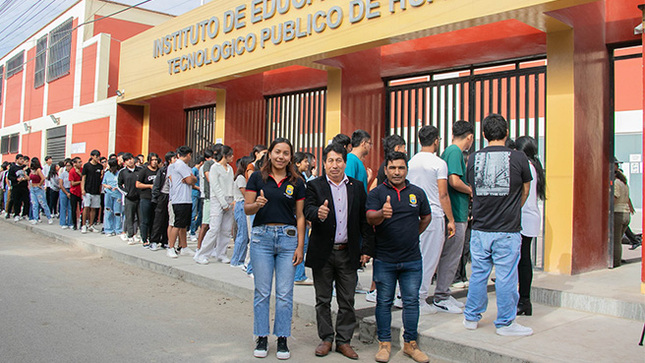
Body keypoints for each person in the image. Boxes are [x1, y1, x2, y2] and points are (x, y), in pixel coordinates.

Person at [463, 113, 533, 336]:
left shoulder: (473, 158)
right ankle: (505, 323)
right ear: (507, 133)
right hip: (507, 229)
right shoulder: (520, 158)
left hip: (480, 228)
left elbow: (473, 189)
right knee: (506, 277)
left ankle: (471, 317)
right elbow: (525, 190)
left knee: (478, 274)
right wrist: (512, 208)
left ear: (483, 135)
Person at [304, 142, 373, 359]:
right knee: (322, 299)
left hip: (348, 252)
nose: (335, 165)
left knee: (347, 300)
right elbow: (307, 209)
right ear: (324, 163)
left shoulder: (357, 186)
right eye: (330, 160)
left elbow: (364, 220)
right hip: (323, 252)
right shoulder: (314, 186)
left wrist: (365, 248)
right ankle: (326, 338)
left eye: (339, 160)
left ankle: (344, 341)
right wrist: (317, 213)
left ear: (345, 162)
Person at [365, 151, 432, 363]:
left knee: (411, 302)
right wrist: (381, 214)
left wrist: (412, 234)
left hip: (412, 260)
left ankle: (410, 344)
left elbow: (426, 217)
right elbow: (369, 218)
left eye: (401, 168)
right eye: (392, 168)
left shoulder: (417, 193)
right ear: (386, 170)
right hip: (385, 259)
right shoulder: (377, 193)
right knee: (384, 302)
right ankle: (384, 343)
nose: (397, 172)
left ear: (406, 170)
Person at [244, 138, 305, 360]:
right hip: (262, 239)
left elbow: (300, 216)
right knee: (262, 291)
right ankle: (261, 336)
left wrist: (300, 246)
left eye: (286, 153)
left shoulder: (297, 181)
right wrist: (256, 205)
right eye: (277, 152)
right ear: (269, 154)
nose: (281, 156)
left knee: (285, 293)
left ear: (291, 156)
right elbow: (247, 209)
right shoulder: (256, 178)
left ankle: (282, 338)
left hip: (288, 241)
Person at [406, 125, 458, 315]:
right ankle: (418, 299)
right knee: (428, 259)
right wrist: (451, 219)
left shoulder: (411, 162)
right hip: (434, 216)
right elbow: (443, 194)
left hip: (413, 215)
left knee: (414, 257)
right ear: (436, 140)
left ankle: (408, 296)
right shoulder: (438, 163)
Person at [440, 121, 475, 292]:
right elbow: (454, 180)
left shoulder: (449, 151)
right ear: (470, 137)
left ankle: (442, 292)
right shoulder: (455, 152)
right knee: (452, 256)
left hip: (454, 211)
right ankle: (443, 294)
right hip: (457, 212)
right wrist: (470, 190)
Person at [514, 136, 545, 315]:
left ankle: (524, 299)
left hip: (524, 218)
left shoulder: (526, 167)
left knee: (523, 260)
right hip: (530, 218)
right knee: (524, 259)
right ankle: (524, 300)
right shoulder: (534, 166)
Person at [193, 145, 235, 264]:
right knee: (214, 228)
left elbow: (231, 184)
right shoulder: (214, 168)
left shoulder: (230, 168)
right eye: (230, 155)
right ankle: (202, 254)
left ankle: (221, 253)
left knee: (226, 229)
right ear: (224, 156)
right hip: (217, 199)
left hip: (229, 198)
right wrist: (223, 203)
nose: (232, 157)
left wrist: (232, 200)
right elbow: (215, 186)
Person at [167, 146, 198, 258]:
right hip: (179, 199)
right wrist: (192, 179)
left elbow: (192, 180)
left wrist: (192, 179)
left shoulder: (183, 166)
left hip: (186, 198)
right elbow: (190, 180)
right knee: (177, 224)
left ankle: (184, 247)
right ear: (188, 154)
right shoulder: (180, 165)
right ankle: (171, 247)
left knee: (184, 225)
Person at [150, 151, 176, 251]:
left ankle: (165, 241)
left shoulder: (177, 170)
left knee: (168, 220)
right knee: (159, 219)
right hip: (163, 196)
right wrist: (156, 197)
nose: (176, 160)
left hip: (172, 197)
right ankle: (154, 241)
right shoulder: (163, 170)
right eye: (174, 158)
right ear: (169, 160)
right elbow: (157, 184)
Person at [230, 156, 253, 268]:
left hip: (242, 205)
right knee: (242, 234)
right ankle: (236, 260)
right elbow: (246, 194)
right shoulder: (240, 178)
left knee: (244, 234)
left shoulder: (242, 177)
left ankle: (240, 259)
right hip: (241, 205)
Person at [136, 153, 159, 248]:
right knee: (145, 220)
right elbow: (137, 184)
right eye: (153, 160)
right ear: (149, 161)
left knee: (154, 220)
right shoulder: (144, 171)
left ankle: (153, 238)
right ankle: (144, 239)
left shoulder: (159, 171)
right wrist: (149, 186)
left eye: (156, 160)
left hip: (156, 199)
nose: (155, 162)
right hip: (145, 197)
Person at [613, 160, 633, 268]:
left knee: (615, 241)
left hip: (618, 213)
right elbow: (628, 198)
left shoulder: (616, 183)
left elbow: (615, 198)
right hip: (626, 214)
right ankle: (617, 259)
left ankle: (616, 262)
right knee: (619, 240)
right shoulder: (624, 183)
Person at [118, 153, 141, 244]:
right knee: (129, 217)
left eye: (131, 159)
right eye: (127, 160)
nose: (130, 161)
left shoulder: (140, 170)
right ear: (125, 162)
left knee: (140, 217)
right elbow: (119, 185)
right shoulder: (123, 172)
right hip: (129, 198)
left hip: (140, 197)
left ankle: (137, 234)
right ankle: (130, 235)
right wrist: (126, 193)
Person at [197, 147, 217, 250]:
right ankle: (199, 247)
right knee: (205, 223)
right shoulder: (208, 164)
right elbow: (210, 180)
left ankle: (210, 246)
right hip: (208, 196)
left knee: (213, 225)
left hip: (215, 197)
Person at [81, 150, 104, 233]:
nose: (97, 158)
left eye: (98, 156)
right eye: (96, 156)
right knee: (86, 207)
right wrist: (82, 189)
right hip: (87, 190)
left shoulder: (100, 167)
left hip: (96, 190)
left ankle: (91, 225)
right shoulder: (86, 166)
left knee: (94, 208)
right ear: (92, 156)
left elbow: (101, 178)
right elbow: (83, 178)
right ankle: (83, 225)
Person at [28, 157, 53, 225]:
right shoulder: (32, 170)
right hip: (32, 188)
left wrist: (40, 184)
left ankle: (49, 217)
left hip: (38, 188)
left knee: (43, 203)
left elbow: (43, 178)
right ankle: (35, 218)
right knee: (34, 204)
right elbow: (30, 178)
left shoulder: (38, 170)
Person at [102, 158, 123, 236]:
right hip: (108, 193)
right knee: (108, 211)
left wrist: (117, 187)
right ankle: (108, 229)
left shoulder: (119, 173)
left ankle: (118, 229)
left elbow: (122, 183)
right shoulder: (107, 173)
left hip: (117, 194)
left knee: (117, 212)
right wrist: (107, 186)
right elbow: (103, 183)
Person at [8, 154, 29, 221]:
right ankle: (17, 214)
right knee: (17, 201)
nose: (22, 160)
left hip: (24, 186)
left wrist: (25, 177)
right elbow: (9, 177)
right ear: (16, 160)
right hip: (16, 186)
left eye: (22, 159)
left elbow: (29, 176)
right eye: (20, 159)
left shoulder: (25, 167)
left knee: (26, 200)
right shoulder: (13, 168)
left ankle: (24, 214)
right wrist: (16, 179)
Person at [190, 156, 204, 242]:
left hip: (200, 194)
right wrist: (199, 188)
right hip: (194, 194)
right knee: (193, 213)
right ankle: (192, 232)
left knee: (200, 214)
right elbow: (191, 183)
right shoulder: (194, 170)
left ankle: (194, 228)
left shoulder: (200, 170)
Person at [58, 159, 73, 229]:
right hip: (64, 190)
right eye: (66, 166)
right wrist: (66, 193)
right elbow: (61, 184)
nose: (67, 167)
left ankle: (70, 222)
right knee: (63, 207)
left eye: (69, 166)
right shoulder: (63, 174)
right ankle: (63, 222)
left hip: (71, 190)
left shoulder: (73, 173)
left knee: (70, 207)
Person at [69, 157, 83, 230]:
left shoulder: (82, 170)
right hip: (74, 192)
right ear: (74, 163)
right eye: (79, 162)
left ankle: (81, 224)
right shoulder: (71, 171)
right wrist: (80, 182)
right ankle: (74, 224)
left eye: (81, 162)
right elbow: (72, 183)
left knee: (82, 209)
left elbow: (84, 178)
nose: (80, 163)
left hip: (81, 192)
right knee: (73, 209)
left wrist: (79, 174)